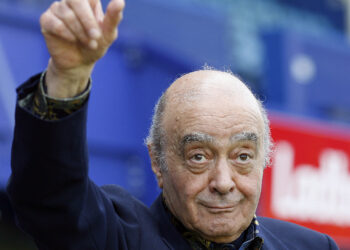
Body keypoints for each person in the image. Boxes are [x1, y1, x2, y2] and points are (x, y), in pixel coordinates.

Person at [7, 0, 339, 249]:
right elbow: (51, 196)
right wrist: (67, 78)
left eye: (242, 156)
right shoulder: (116, 237)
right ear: (158, 162)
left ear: (264, 159)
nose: (223, 183)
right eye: (198, 156)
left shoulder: (312, 247)